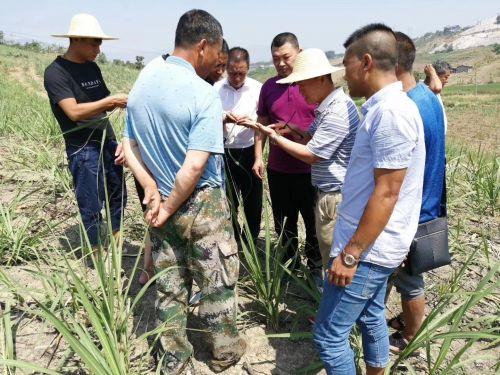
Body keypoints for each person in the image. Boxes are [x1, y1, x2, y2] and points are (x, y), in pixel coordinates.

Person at [123, 9, 246, 373]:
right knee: (216, 281)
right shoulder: (202, 93)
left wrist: (151, 190)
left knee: (169, 286)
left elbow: (129, 146)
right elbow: (194, 166)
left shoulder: (142, 85)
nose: (217, 60)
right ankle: (223, 352)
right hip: (201, 203)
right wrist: (172, 201)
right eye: (217, 51)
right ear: (204, 45)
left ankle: (174, 360)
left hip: (160, 197)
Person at [313, 24, 425, 375]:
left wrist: (351, 254)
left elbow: (388, 191)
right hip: (379, 244)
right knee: (372, 314)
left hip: (368, 250)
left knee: (330, 336)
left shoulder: (391, 113)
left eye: (345, 64)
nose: (343, 75)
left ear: (364, 62)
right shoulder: (385, 107)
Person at [253, 48, 359, 270]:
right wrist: (291, 129)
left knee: (333, 260)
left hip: (334, 197)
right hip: (325, 192)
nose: (300, 91)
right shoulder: (326, 108)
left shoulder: (336, 111)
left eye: (303, 84)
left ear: (320, 79)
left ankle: (325, 295)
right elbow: (310, 137)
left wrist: (274, 137)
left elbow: (312, 155)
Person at [44, 13, 127, 255]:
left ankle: (117, 239)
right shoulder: (56, 72)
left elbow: (101, 102)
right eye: (94, 42)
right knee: (90, 198)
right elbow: (73, 112)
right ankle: (96, 251)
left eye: (100, 42)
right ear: (76, 40)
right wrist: (109, 101)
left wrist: (112, 103)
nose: (99, 48)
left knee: (117, 190)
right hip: (82, 146)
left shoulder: (92, 68)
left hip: (106, 139)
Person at [387, 31, 446, 353]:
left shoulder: (408, 108)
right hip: (429, 201)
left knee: (410, 279)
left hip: (414, 209)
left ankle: (411, 337)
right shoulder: (428, 97)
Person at [254, 32, 321, 272]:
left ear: (299, 53)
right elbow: (261, 123)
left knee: (314, 222)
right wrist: (257, 156)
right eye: (275, 59)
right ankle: (290, 267)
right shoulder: (269, 87)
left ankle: (315, 268)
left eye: (286, 57)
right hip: (279, 169)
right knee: (284, 222)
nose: (281, 63)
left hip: (311, 168)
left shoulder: (314, 83)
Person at [215, 47, 263, 243]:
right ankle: (233, 240)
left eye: (241, 73)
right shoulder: (215, 89)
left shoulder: (258, 89)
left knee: (253, 201)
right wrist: (224, 118)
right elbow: (208, 117)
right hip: (225, 152)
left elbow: (263, 121)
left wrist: (252, 123)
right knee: (229, 200)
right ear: (226, 68)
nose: (236, 78)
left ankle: (251, 241)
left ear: (248, 68)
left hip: (250, 151)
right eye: (232, 73)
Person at [424, 61, 451, 133]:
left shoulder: (434, 91)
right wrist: (432, 72)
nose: (446, 81)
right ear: (435, 76)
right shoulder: (426, 90)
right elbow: (437, 88)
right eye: (445, 77)